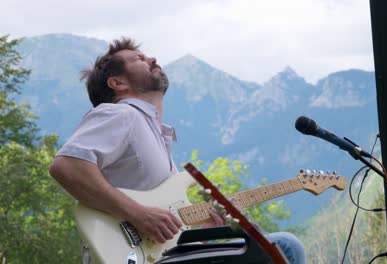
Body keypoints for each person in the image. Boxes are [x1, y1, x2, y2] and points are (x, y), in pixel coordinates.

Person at [49, 37, 306, 264]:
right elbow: (67, 167)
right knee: (283, 246)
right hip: (131, 256)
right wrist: (137, 214)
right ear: (117, 82)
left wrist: (201, 226)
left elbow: (163, 222)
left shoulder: (153, 134)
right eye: (139, 58)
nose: (152, 58)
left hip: (158, 254)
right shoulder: (121, 113)